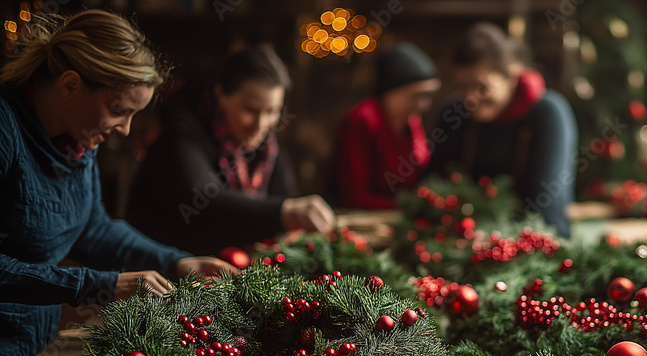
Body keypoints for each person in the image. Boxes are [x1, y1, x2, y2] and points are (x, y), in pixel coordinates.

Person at [0, 10, 238, 356]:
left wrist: (175, 262)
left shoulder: (80, 138)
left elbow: (92, 228)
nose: (125, 130)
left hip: (32, 346)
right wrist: (100, 285)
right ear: (70, 84)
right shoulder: (6, 130)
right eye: (118, 111)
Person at [126, 46, 335, 255]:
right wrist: (285, 212)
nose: (261, 124)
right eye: (250, 110)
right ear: (221, 94)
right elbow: (206, 204)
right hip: (163, 270)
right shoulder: (182, 133)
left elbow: (285, 195)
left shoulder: (266, 146)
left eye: (272, 111)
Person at [428, 22, 577, 237]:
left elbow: (547, 206)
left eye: (481, 87)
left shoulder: (548, 113)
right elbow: (434, 184)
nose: (470, 98)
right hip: (460, 240)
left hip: (535, 243)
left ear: (511, 77)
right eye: (462, 87)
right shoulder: (454, 112)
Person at [330, 42, 439, 210]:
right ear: (390, 91)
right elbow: (354, 195)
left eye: (427, 96)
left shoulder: (411, 120)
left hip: (398, 216)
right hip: (361, 217)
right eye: (415, 96)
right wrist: (407, 205)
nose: (423, 105)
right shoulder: (362, 121)